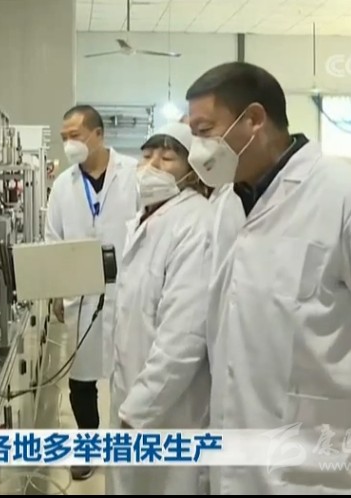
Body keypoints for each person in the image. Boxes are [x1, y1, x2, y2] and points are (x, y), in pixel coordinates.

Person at [185, 62, 351, 494]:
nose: (196, 149)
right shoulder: (225, 204)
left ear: (254, 120)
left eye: (205, 131)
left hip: (319, 468)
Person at [107, 122, 216, 496]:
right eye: (146, 156)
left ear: (192, 171)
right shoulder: (146, 217)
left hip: (169, 408)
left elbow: (183, 338)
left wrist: (138, 409)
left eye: (167, 158)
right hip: (133, 391)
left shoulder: (196, 223)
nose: (152, 165)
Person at [44, 104, 139, 481]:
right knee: (81, 379)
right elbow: (53, 239)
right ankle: (88, 446)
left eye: (76, 135)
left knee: (128, 375)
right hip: (80, 296)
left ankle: (125, 444)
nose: (69, 143)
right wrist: (56, 292)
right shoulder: (63, 184)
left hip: (128, 293)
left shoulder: (133, 174)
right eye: (64, 137)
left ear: (98, 134)